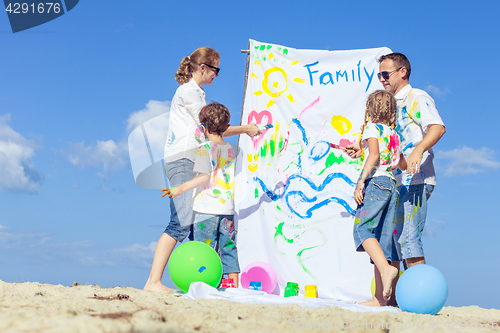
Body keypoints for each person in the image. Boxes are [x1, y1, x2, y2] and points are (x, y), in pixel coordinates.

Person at [143, 47, 260, 292]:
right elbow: (214, 128)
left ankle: (202, 280)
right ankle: (153, 282)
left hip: (190, 159)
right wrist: (247, 129)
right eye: (216, 70)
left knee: (194, 222)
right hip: (183, 159)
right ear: (204, 68)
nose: (217, 75)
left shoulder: (198, 94)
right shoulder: (189, 93)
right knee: (181, 222)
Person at [348, 53, 446, 271]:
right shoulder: (392, 104)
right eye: (379, 75)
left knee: (408, 239)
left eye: (386, 74)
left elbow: (438, 127)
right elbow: (388, 140)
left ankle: (420, 297)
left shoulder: (416, 97)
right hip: (394, 182)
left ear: (403, 72)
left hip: (416, 179)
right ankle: (390, 299)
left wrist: (419, 150)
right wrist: (361, 147)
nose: (382, 79)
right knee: (391, 241)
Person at [161, 102, 240, 287]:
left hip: (206, 209)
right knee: (228, 247)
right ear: (227, 128)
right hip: (227, 208)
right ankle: (234, 287)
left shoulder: (204, 149)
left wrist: (179, 188)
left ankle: (202, 284)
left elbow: (204, 177)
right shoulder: (231, 149)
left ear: (203, 128)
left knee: (204, 250)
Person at [352, 90, 406, 306]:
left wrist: (360, 181)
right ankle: (380, 300)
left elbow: (374, 155)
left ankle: (386, 269)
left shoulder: (371, 128)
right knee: (384, 240)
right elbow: (401, 164)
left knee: (361, 228)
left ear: (370, 109)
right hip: (393, 185)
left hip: (377, 182)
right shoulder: (394, 134)